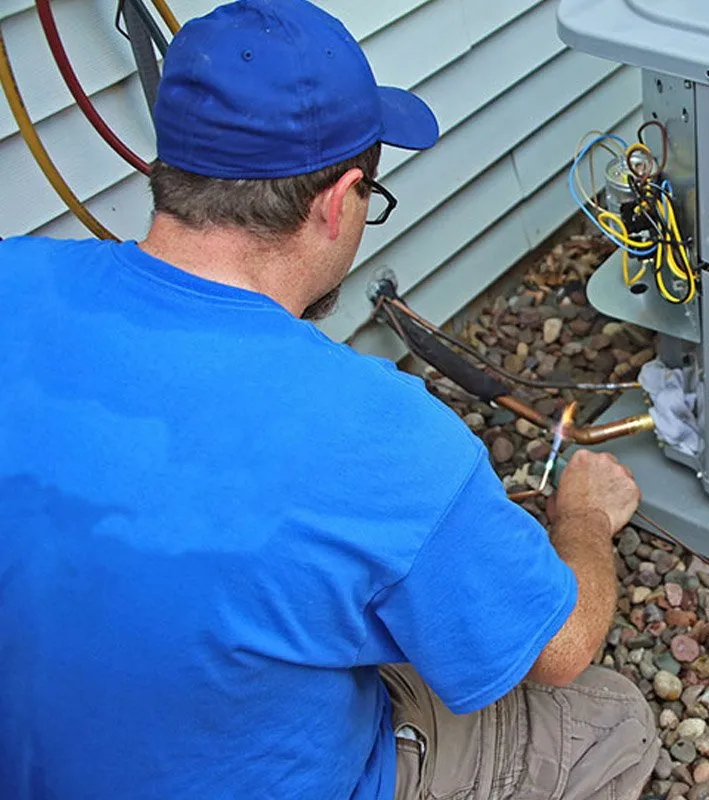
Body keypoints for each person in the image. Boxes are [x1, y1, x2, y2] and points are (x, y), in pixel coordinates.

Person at [0, 0, 658, 798]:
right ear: (340, 199)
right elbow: (561, 648)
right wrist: (582, 519)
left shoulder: (13, 278)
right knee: (612, 718)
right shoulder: (379, 435)